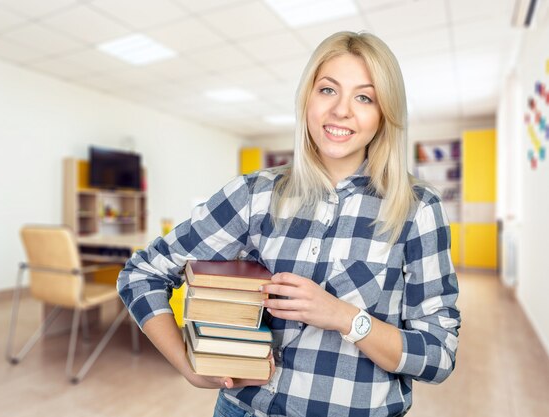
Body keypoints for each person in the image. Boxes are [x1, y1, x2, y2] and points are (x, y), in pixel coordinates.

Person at [117, 31, 461, 417]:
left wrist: (345, 317)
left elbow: (438, 355)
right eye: (328, 90)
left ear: (384, 115)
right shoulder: (254, 195)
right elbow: (142, 273)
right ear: (307, 98)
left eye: (364, 97)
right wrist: (187, 365)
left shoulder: (417, 209)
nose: (342, 111)